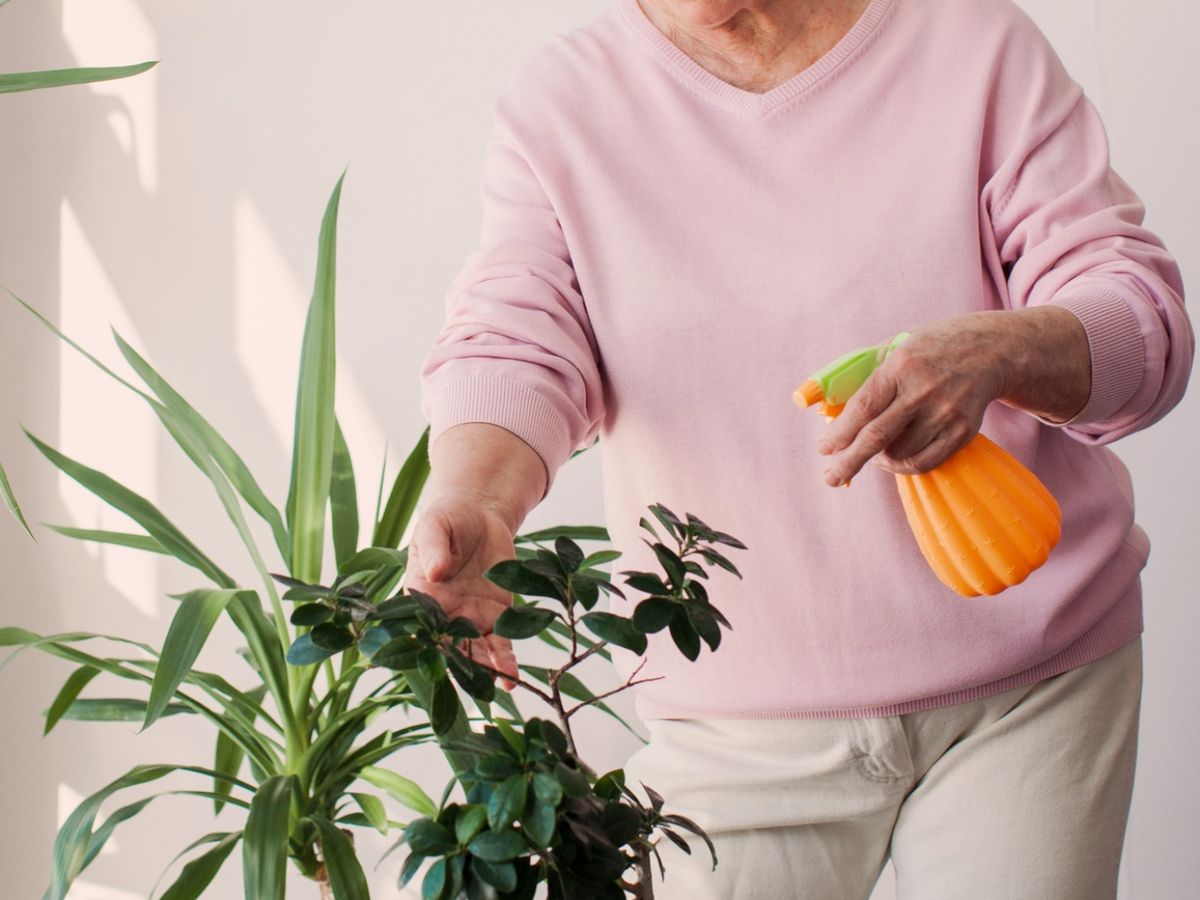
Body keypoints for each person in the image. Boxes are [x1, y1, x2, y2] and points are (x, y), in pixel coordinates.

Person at [403, 0, 1193, 896]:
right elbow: (516, 344)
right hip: (731, 722)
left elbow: (1140, 324)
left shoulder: (970, 40)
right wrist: (475, 498)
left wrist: (1000, 352)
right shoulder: (563, 105)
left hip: (1030, 690)